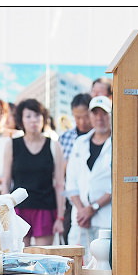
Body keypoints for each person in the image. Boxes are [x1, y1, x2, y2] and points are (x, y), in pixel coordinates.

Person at [66, 95, 112, 275]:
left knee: (104, 272)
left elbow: (117, 184)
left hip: (104, 218)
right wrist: (81, 209)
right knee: (75, 269)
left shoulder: (117, 143)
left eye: (104, 114)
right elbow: (72, 182)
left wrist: (93, 208)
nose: (100, 118)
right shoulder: (80, 142)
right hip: (81, 218)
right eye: (96, 114)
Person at [1, 98, 66, 247]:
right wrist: (4, 212)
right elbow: (6, 181)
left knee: (43, 258)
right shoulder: (12, 144)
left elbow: (60, 184)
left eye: (37, 115)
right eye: (28, 116)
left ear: (43, 118)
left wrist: (60, 217)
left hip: (45, 208)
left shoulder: (54, 145)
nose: (33, 120)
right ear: (21, 120)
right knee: (20, 257)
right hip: (18, 209)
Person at [58, 93, 93, 243]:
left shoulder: (105, 137)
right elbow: (60, 171)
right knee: (70, 238)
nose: (82, 121)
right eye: (77, 117)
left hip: (95, 198)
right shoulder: (65, 137)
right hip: (71, 197)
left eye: (85, 116)